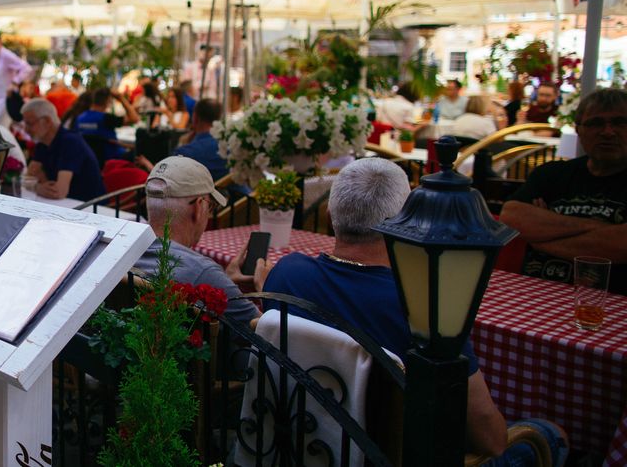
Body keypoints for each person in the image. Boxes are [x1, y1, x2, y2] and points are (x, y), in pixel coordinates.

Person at [261, 158, 567, 463]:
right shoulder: (424, 305)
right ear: (407, 225)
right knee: (550, 433)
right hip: (394, 455)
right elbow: (491, 440)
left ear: (329, 217)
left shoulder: (286, 274)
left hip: (303, 444)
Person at [500, 87, 627, 294]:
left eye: (620, 122)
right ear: (579, 130)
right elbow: (511, 216)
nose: (608, 132)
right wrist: (603, 229)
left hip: (608, 309)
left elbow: (621, 245)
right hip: (531, 296)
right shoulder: (552, 174)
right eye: (596, 123)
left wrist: (540, 235)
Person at [133, 156, 260, 325]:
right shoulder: (203, 272)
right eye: (211, 206)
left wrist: (225, 282)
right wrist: (263, 289)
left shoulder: (121, 246)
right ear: (199, 207)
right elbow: (266, 332)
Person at [22, 98, 105, 202]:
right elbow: (27, 179)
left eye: (29, 124)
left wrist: (36, 186)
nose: (25, 129)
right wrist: (38, 186)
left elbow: (58, 192)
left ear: (47, 121)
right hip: (65, 204)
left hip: (90, 209)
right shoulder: (42, 143)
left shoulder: (70, 142)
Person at [75, 87, 140, 161]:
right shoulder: (105, 118)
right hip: (112, 159)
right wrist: (121, 98)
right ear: (107, 101)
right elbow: (134, 119)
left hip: (89, 160)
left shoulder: (79, 118)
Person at [0, 32, 34, 127]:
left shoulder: (6, 55)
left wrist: (15, 82)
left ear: (0, 42)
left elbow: (27, 68)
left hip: (5, 99)